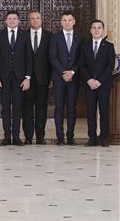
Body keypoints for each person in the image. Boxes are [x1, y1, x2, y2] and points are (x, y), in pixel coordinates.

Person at [0, 10, 32, 146]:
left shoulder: (25, 35)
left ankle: (16, 136)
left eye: (15, 18)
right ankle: (6, 136)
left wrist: (27, 78)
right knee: (5, 108)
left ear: (18, 21)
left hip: (20, 78)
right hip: (3, 78)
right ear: (6, 20)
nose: (12, 20)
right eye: (10, 18)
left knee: (17, 107)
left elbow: (29, 58)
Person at [79, 20, 116, 147]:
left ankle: (104, 138)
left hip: (103, 85)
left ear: (103, 30)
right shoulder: (85, 45)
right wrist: (89, 80)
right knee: (90, 111)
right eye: (94, 28)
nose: (96, 30)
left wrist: (99, 81)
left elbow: (110, 66)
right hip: (89, 84)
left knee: (104, 111)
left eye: (99, 28)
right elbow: (82, 66)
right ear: (90, 30)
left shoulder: (109, 46)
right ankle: (92, 138)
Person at [49, 11, 82, 145]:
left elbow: (81, 58)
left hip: (74, 78)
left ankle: (70, 136)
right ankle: (60, 137)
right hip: (59, 78)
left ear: (74, 22)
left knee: (71, 108)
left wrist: (72, 72)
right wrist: (64, 72)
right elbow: (53, 57)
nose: (67, 22)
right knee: (59, 107)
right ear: (61, 22)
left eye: (69, 20)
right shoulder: (55, 37)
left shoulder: (80, 38)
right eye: (64, 20)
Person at [22, 11, 52, 144]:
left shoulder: (49, 36)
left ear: (41, 20)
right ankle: (28, 137)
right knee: (26, 108)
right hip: (26, 79)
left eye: (37, 18)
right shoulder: (22, 35)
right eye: (32, 18)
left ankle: (40, 137)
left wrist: (51, 78)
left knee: (41, 108)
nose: (35, 21)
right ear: (29, 21)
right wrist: (24, 77)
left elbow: (51, 59)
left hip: (43, 79)